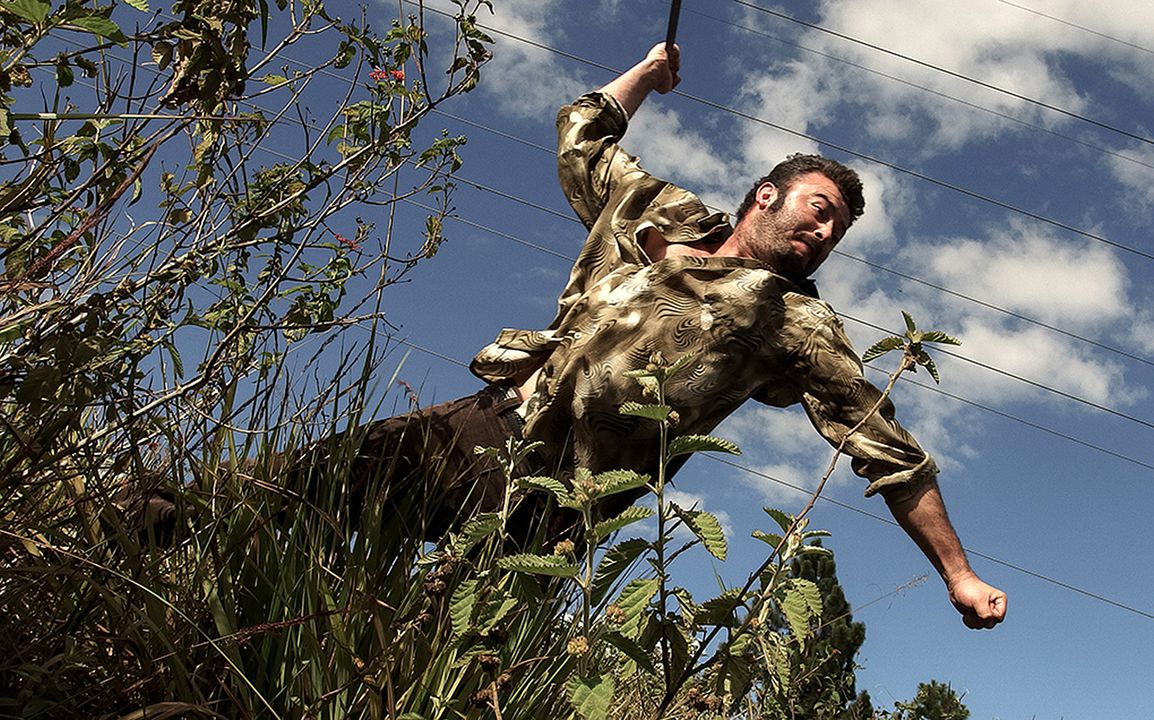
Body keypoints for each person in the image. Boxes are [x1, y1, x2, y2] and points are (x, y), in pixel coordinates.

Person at [294, 42, 1007, 630]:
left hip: (558, 505)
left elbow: (892, 453)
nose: (823, 235)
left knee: (437, 655)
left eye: (834, 233)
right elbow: (583, 132)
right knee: (283, 495)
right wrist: (646, 72)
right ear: (765, 195)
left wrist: (959, 573)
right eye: (817, 211)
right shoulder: (661, 212)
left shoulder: (796, 322)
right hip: (482, 427)